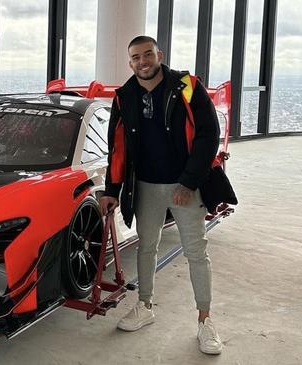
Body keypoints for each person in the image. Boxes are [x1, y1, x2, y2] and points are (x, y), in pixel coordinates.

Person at [98, 35, 223, 355]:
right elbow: (117, 147)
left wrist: (189, 182)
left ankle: (205, 320)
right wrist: (112, 190)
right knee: (146, 248)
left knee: (196, 252)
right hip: (145, 187)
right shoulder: (124, 96)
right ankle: (145, 306)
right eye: (135, 57)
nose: (142, 61)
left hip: (185, 186)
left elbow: (209, 135)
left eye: (147, 55)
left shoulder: (187, 86)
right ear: (130, 63)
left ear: (159, 55)